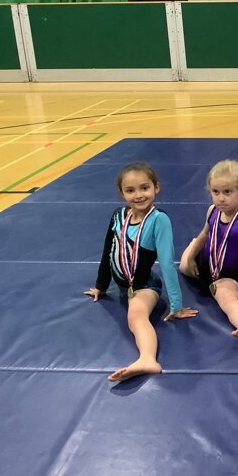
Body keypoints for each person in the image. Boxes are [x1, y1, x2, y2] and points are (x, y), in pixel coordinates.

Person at [84, 163, 198, 382]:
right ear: (122, 193)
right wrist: (101, 286)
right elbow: (108, 251)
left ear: (156, 187)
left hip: (145, 286)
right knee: (133, 312)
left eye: (144, 188)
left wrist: (176, 306)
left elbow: (167, 263)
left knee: (135, 316)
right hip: (123, 286)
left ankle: (147, 359)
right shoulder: (118, 216)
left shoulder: (158, 220)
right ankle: (146, 358)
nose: (138, 195)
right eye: (130, 190)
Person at [180, 160, 238, 344]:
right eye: (215, 192)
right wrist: (191, 257)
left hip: (224, 277)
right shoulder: (212, 210)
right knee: (183, 265)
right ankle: (190, 251)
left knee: (229, 302)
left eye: (227, 192)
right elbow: (203, 235)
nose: (221, 198)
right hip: (201, 264)